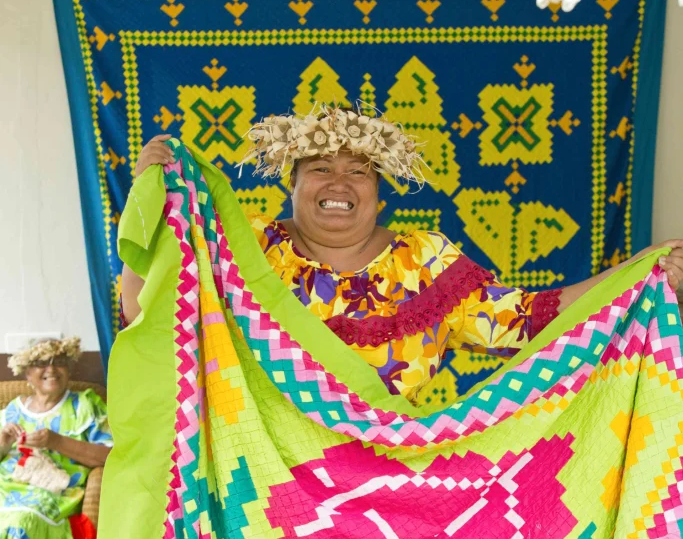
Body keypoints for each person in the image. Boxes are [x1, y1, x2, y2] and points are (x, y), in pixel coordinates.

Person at [122, 106, 683, 402]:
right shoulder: (246, 246)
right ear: (292, 184)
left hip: (388, 482)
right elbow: (146, 314)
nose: (338, 181)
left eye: (358, 171)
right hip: (256, 492)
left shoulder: (426, 259)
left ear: (378, 191)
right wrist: (152, 195)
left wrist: (641, 273)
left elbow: (526, 322)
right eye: (320, 167)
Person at [0, 338, 113, 539]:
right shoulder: (11, 411)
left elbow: (110, 456)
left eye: (59, 362)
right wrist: (4, 444)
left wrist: (57, 442)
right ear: (27, 372)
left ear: (69, 369)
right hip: (5, 490)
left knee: (20, 523)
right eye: (41, 363)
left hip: (51, 495)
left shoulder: (86, 405)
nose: (51, 369)